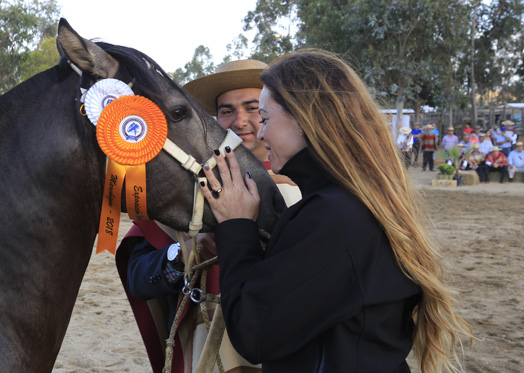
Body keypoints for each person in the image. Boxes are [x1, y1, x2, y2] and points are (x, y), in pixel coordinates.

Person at [199, 49, 471, 372]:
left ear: (304, 120)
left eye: (266, 118)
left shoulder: (335, 216)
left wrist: (236, 227)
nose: (260, 132)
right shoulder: (348, 200)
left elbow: (252, 331)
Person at [117, 60, 301, 373]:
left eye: (253, 108)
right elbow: (138, 279)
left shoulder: (308, 191)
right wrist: (186, 253)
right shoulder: (187, 193)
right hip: (201, 355)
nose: (240, 121)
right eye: (227, 111)